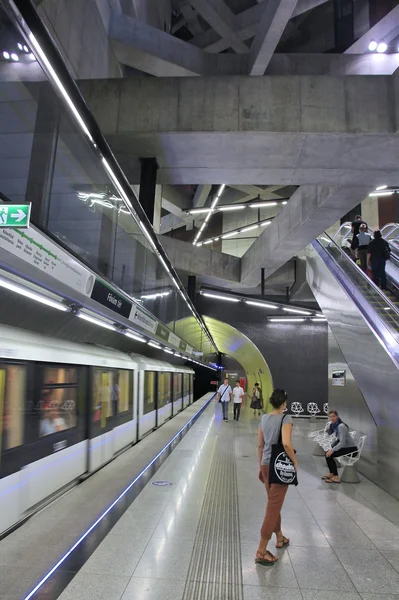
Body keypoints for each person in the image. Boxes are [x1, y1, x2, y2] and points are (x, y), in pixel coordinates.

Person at [256, 389, 296, 566]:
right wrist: (295, 462)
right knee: (273, 506)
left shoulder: (264, 418)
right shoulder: (285, 419)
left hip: (265, 464)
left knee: (273, 503)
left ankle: (279, 537)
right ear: (284, 403)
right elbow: (286, 443)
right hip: (278, 465)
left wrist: (260, 466)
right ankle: (261, 550)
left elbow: (260, 445)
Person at [322, 410, 357, 484]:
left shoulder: (341, 426)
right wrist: (331, 447)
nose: (332, 418)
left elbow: (342, 442)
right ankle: (331, 473)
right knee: (327, 453)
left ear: (337, 416)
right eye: (330, 417)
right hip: (345, 447)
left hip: (351, 449)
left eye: (334, 416)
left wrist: (332, 450)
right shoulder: (335, 425)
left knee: (329, 455)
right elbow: (338, 439)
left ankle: (336, 476)